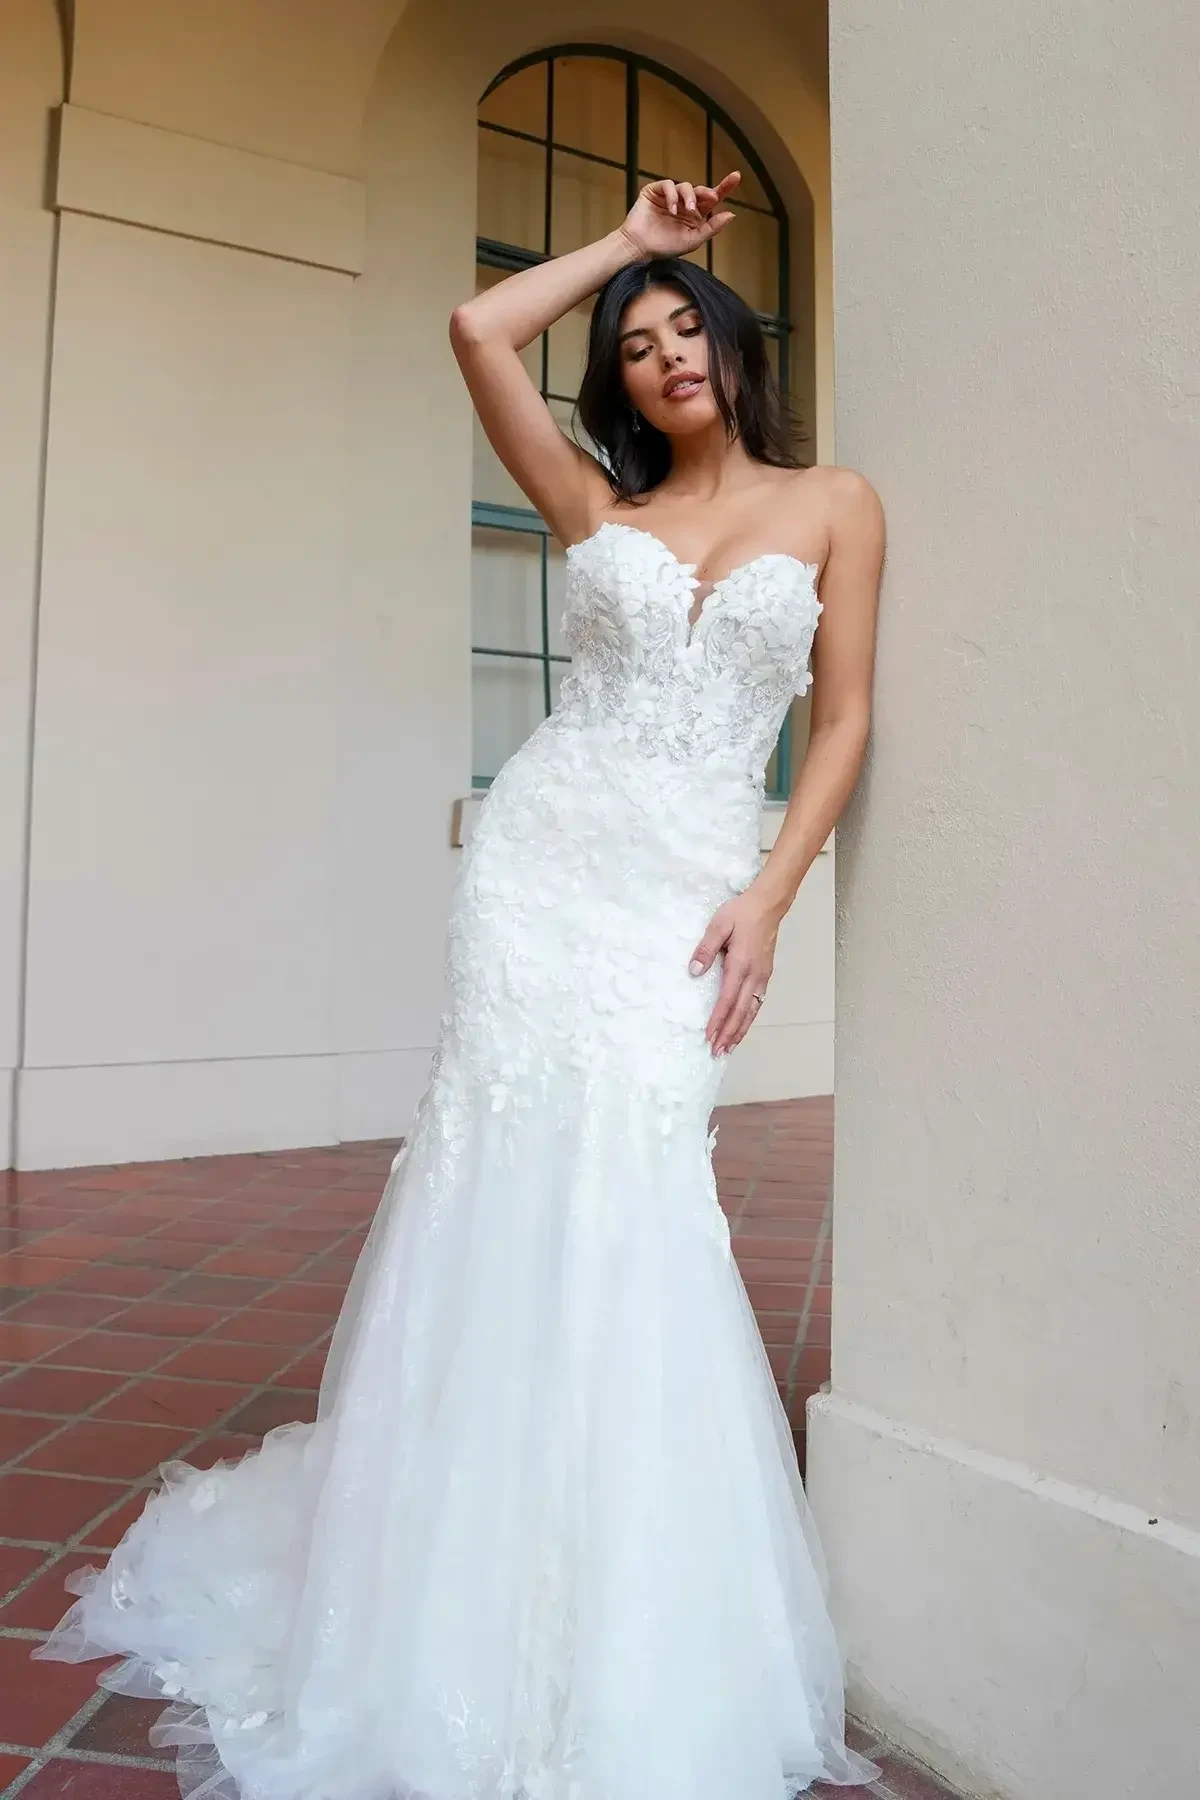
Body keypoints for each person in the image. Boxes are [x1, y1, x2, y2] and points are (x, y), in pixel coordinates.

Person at [34, 171, 885, 1800]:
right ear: (619, 382)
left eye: (682, 325)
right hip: (543, 869)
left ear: (732, 340)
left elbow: (838, 724)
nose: (662, 354)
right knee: (501, 1182)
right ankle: (443, 1579)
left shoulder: (838, 502)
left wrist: (774, 897)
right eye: (634, 344)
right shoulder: (595, 512)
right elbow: (474, 325)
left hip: (687, 894)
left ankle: (619, 1594)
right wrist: (633, 242)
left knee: (638, 1184)